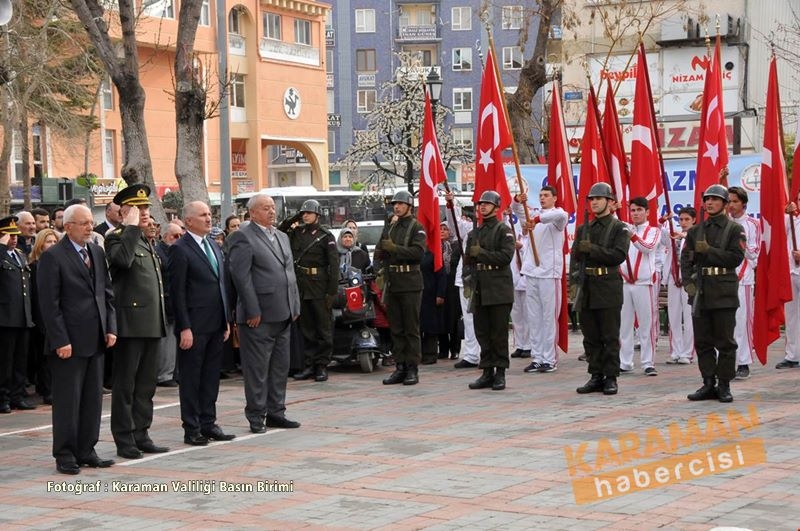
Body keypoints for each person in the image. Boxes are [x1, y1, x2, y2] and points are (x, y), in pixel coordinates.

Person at [37, 204, 117, 474]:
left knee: (92, 399)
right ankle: (65, 453)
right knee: (68, 401)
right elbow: (50, 304)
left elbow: (105, 293)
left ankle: (87, 448)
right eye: (83, 223)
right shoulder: (53, 257)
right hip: (68, 342)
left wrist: (110, 327)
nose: (89, 227)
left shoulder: (95, 250)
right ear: (67, 226)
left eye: (90, 223)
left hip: (95, 338)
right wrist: (60, 340)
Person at [104, 184, 169, 459]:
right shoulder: (117, 237)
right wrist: (130, 228)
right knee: (125, 386)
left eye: (146, 208)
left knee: (146, 386)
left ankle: (142, 433)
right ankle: (124, 439)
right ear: (123, 212)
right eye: (137, 208)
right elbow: (123, 261)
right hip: (130, 324)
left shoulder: (145, 239)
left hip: (152, 323)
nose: (144, 213)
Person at [227, 194, 302, 432]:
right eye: (265, 208)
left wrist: (295, 304)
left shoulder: (281, 236)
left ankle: (276, 412)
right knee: (257, 369)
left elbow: (289, 272)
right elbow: (241, 276)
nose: (271, 212)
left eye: (272, 207)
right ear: (253, 213)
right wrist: (251, 308)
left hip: (284, 311)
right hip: (259, 314)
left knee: (280, 366)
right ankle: (257, 415)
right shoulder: (243, 236)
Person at [169, 201, 235, 445]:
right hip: (194, 326)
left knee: (210, 377)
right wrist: (184, 326)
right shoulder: (181, 249)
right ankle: (192, 427)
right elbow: (178, 292)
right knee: (191, 378)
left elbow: (221, 285)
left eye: (210, 214)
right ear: (188, 221)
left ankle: (209, 422)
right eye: (203, 215)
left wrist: (226, 319)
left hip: (216, 323)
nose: (209, 219)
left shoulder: (213, 246)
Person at [680, 184, 746, 403]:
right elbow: (686, 259)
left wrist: (709, 251)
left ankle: (724, 384)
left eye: (715, 199)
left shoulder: (734, 229)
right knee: (703, 341)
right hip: (701, 290)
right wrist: (689, 283)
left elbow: (735, 258)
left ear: (725, 204)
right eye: (707, 199)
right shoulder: (695, 231)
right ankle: (708, 382)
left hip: (724, 291)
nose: (709, 203)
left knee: (725, 341)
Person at [571, 182, 630, 396]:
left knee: (609, 335)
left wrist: (593, 249)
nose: (594, 202)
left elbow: (618, 255)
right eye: (591, 199)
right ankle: (595, 375)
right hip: (587, 286)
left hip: (607, 286)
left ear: (610, 202)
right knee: (591, 336)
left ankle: (611, 377)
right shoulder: (583, 229)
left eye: (598, 198)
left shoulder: (619, 228)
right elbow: (575, 259)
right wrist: (574, 283)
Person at [278, 199, 338, 383]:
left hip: (319, 286)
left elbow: (334, 266)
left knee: (323, 328)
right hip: (302, 285)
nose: (305, 216)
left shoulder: (325, 236)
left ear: (317, 215)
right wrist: (295, 215)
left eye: (308, 213)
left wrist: (331, 292)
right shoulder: (297, 233)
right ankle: (310, 364)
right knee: (307, 328)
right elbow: (281, 230)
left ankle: (321, 365)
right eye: (303, 213)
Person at [512, 186, 568, 373]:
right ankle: (537, 357)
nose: (542, 198)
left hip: (549, 273)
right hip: (532, 272)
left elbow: (560, 216)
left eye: (546, 195)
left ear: (554, 198)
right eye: (540, 195)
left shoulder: (557, 215)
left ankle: (549, 358)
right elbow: (518, 211)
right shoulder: (533, 215)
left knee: (548, 317)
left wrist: (535, 220)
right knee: (534, 317)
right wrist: (517, 200)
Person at [463, 191, 515, 391]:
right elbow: (468, 262)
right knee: (482, 332)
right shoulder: (474, 233)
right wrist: (468, 281)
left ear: (496, 206)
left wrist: (482, 253)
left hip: (498, 287)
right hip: (480, 287)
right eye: (480, 204)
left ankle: (500, 372)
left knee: (498, 333)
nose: (482, 207)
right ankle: (486, 371)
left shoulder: (504, 230)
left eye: (486, 204)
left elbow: (505, 257)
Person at [375, 190, 426, 385]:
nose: (396, 207)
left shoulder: (416, 227)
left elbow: (418, 252)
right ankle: (400, 366)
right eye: (395, 204)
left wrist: (394, 249)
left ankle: (412, 368)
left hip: (410, 281)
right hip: (393, 280)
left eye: (400, 204)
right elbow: (381, 248)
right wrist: (381, 255)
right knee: (396, 327)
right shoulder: (391, 226)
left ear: (409, 206)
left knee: (410, 328)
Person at [618, 197, 661, 376]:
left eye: (639, 210)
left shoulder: (654, 231)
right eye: (633, 210)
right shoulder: (624, 229)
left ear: (647, 212)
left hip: (644, 283)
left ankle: (647, 362)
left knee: (646, 324)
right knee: (624, 324)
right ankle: (625, 362)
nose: (635, 213)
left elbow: (648, 247)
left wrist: (632, 235)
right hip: (625, 282)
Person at [0, 216, 36, 413]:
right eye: (8, 235)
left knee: (20, 360)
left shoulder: (20, 255)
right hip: (5, 317)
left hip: (23, 316)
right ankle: (3, 397)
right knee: (5, 361)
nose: (13, 239)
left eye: (14, 235)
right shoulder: (1, 254)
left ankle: (17, 395)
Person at [444, 192, 481, 369]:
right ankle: (472, 354)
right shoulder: (469, 228)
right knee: (468, 318)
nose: (480, 210)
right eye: (478, 207)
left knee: (483, 318)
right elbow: (454, 224)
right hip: (464, 277)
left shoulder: (498, 227)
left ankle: (485, 352)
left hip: (484, 278)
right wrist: (450, 205)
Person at [727, 186, 760, 380]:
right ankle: (726, 361)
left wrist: (741, 241)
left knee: (742, 321)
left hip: (743, 279)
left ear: (743, 203)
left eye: (735, 201)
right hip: (724, 278)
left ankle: (744, 361)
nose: (731, 205)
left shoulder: (752, 224)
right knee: (726, 324)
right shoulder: (724, 223)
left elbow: (754, 254)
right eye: (729, 201)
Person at [28, 229, 61, 405]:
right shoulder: (33, 266)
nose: (52, 245)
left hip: (56, 316)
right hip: (39, 317)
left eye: (55, 242)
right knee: (43, 357)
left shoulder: (59, 264)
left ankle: (53, 389)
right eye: (48, 242)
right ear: (40, 244)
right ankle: (47, 390)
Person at [662, 207, 696, 364]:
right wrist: (664, 221)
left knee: (689, 317)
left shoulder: (696, 235)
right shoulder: (675, 235)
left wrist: (685, 237)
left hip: (689, 281)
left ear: (694, 220)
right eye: (681, 219)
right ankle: (676, 350)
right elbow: (661, 237)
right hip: (673, 278)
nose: (683, 223)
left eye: (686, 219)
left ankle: (688, 352)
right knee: (674, 316)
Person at [155, 223, 184, 387]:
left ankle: (174, 372)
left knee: (176, 340)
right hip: (166, 300)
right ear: (165, 236)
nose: (178, 239)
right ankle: (165, 374)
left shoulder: (176, 250)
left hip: (175, 300)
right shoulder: (160, 252)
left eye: (181, 235)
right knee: (168, 341)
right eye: (175, 236)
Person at [779, 196, 800, 369]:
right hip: (791, 273)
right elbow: (776, 229)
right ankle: (792, 355)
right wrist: (785, 212)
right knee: (791, 316)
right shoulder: (792, 221)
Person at [438, 221, 462, 360]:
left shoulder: (457, 246)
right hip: (440, 286)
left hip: (453, 285)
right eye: (440, 229)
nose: (442, 231)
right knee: (441, 317)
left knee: (453, 317)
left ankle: (455, 348)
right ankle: (443, 349)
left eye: (445, 229)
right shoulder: (435, 246)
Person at [420, 248, 447, 365]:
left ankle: (430, 354)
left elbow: (441, 275)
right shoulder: (414, 253)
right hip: (416, 293)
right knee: (417, 326)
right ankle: (418, 353)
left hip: (430, 294)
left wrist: (440, 294)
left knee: (430, 326)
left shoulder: (433, 254)